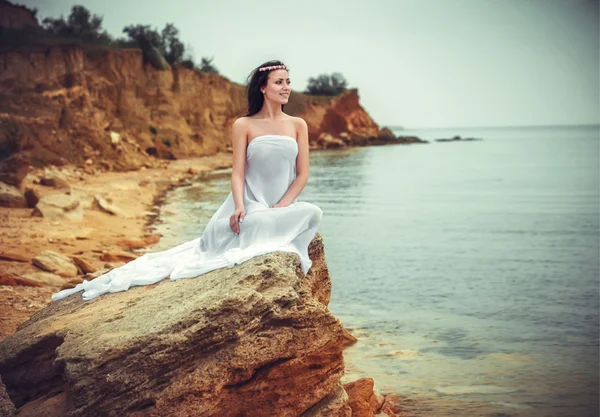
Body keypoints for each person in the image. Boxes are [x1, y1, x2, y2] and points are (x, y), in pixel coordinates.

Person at [51, 60, 323, 301]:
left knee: (313, 211)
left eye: (288, 82)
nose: (286, 87)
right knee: (259, 221)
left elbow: (303, 174)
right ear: (263, 88)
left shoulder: (298, 125)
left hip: (282, 205)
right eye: (279, 82)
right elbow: (238, 172)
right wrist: (240, 206)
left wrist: (283, 206)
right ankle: (257, 221)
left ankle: (274, 219)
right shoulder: (244, 125)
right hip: (251, 204)